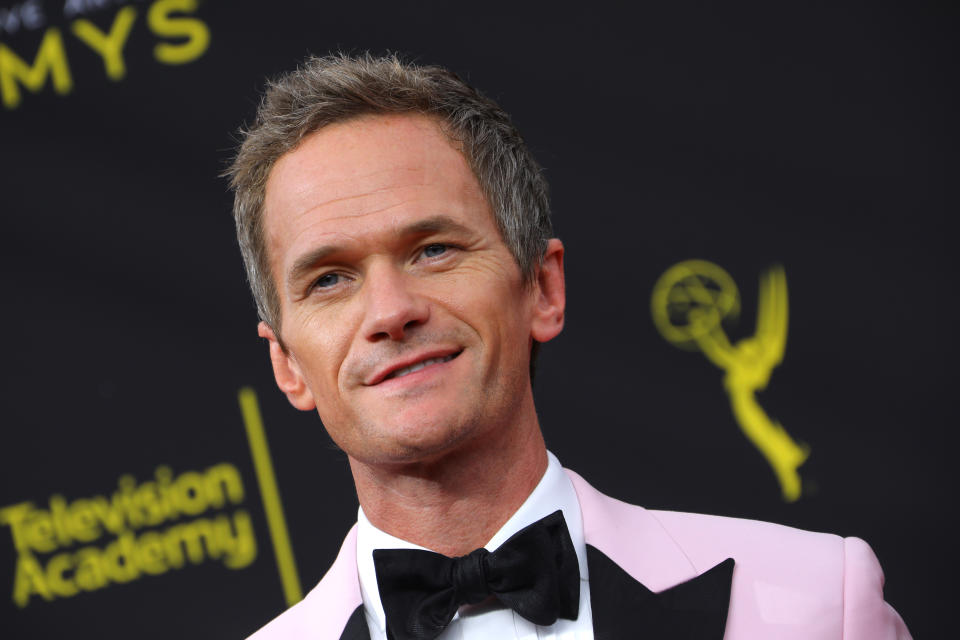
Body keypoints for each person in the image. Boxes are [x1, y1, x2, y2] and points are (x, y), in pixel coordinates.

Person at [226, 53, 911, 640]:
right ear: (287, 365)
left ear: (543, 289)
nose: (391, 312)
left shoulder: (820, 603)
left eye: (433, 250)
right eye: (330, 279)